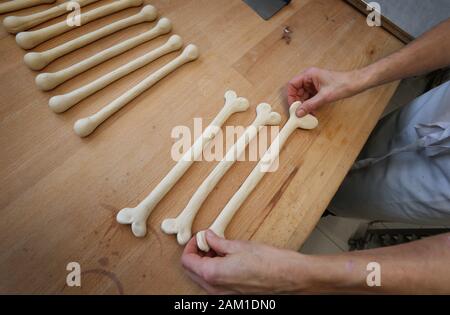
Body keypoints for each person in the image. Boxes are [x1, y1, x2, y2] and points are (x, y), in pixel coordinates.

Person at [181, 18, 450, 294]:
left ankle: (326, 209)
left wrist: (301, 274)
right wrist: (359, 77)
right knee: (358, 150)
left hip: (438, 189)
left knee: (347, 201)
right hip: (435, 114)